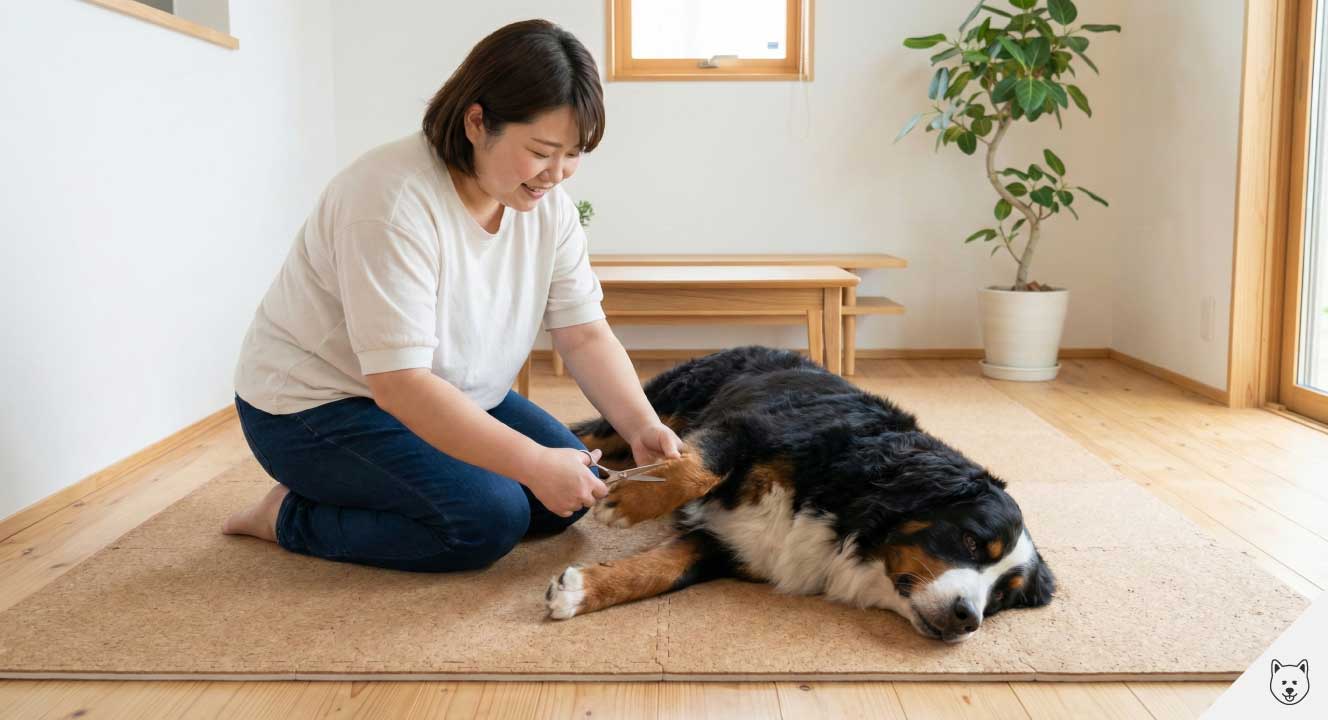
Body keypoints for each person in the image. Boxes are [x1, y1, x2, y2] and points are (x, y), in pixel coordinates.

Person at [223, 19, 682, 573]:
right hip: (314, 407)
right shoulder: (390, 201)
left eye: (573, 154)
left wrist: (641, 426)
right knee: (486, 521)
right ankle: (286, 516)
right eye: (541, 151)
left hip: (443, 390)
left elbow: (583, 333)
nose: (556, 175)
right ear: (476, 121)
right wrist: (532, 461)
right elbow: (400, 385)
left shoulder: (547, 208)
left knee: (569, 494)